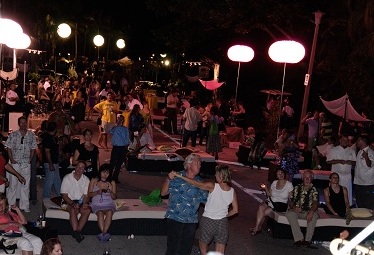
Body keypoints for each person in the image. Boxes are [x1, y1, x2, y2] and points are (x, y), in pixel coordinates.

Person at [170, 165, 238, 255]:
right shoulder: (232, 191)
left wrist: (179, 175)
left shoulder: (213, 186)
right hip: (222, 222)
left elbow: (195, 183)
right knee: (220, 250)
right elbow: (235, 210)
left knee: (203, 247)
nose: (215, 176)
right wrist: (225, 215)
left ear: (221, 176)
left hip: (208, 220)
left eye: (217, 174)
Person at [161, 154, 208, 255]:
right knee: (173, 248)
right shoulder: (177, 177)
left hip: (191, 221)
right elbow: (163, 193)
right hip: (174, 217)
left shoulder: (200, 182)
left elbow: (206, 201)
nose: (199, 165)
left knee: (185, 250)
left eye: (200, 163)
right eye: (197, 163)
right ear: (189, 164)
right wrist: (168, 179)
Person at [5, 116, 37, 213]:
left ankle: (24, 206)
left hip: (26, 163)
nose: (23, 124)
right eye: (21, 123)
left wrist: (30, 160)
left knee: (25, 185)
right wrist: (11, 159)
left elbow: (33, 148)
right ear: (19, 124)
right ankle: (11, 205)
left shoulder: (31, 135)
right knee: (13, 185)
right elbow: (8, 147)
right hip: (15, 162)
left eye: (24, 122)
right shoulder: (13, 135)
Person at [250, 168, 293, 235]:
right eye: (278, 174)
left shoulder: (289, 185)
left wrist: (291, 206)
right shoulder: (274, 182)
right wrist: (266, 188)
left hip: (279, 205)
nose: (280, 174)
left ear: (284, 174)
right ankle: (257, 227)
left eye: (281, 173)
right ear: (276, 176)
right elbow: (269, 194)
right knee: (261, 207)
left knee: (264, 212)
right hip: (271, 201)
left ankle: (258, 227)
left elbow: (291, 197)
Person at [285, 170, 319, 247]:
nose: (307, 179)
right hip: (298, 211)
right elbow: (290, 201)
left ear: (311, 179)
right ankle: (299, 239)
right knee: (289, 213)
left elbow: (315, 203)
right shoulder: (297, 187)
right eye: (305, 177)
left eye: (309, 177)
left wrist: (311, 211)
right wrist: (294, 207)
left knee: (313, 216)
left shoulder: (314, 189)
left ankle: (307, 240)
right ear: (302, 178)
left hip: (309, 211)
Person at [60, 160, 91, 243]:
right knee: (73, 210)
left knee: (87, 210)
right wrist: (73, 203)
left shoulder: (86, 180)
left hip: (80, 201)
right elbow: (64, 195)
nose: (79, 169)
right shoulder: (67, 177)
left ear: (84, 170)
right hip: (68, 201)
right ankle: (77, 233)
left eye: (81, 168)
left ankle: (77, 232)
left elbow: (86, 195)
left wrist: (84, 203)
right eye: (78, 166)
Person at [87, 163, 117, 242]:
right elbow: (89, 194)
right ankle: (104, 234)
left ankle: (103, 233)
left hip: (109, 204)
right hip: (97, 204)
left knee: (110, 212)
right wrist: (97, 192)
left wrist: (111, 192)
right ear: (100, 172)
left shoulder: (112, 182)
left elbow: (114, 197)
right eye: (103, 172)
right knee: (100, 213)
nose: (105, 175)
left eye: (107, 173)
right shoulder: (94, 180)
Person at [326, 134, 356, 206]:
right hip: (336, 176)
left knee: (347, 193)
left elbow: (355, 162)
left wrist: (350, 162)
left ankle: (347, 209)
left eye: (346, 141)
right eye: (343, 140)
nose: (345, 142)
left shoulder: (351, 151)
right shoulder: (334, 150)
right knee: (335, 193)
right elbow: (328, 161)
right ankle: (334, 208)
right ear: (340, 141)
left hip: (347, 177)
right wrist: (339, 161)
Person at [41, 121, 62, 199]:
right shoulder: (48, 138)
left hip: (54, 162)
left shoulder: (51, 137)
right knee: (49, 181)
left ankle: (60, 195)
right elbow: (47, 151)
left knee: (57, 180)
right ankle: (46, 197)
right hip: (50, 162)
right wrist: (50, 164)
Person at [353, 135, 374, 209]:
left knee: (368, 204)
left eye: (358, 140)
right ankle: (361, 219)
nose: (357, 142)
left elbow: (370, 164)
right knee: (360, 203)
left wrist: (366, 157)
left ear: (363, 141)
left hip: (367, 184)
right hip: (358, 182)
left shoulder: (370, 152)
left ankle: (370, 220)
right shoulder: (359, 152)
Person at [109, 115, 130, 184]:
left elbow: (127, 140)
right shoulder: (115, 128)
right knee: (113, 163)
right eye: (119, 119)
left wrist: (126, 149)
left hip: (122, 148)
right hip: (116, 147)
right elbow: (109, 131)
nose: (120, 121)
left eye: (121, 119)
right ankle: (109, 177)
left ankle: (115, 178)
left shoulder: (125, 129)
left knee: (119, 164)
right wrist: (116, 125)